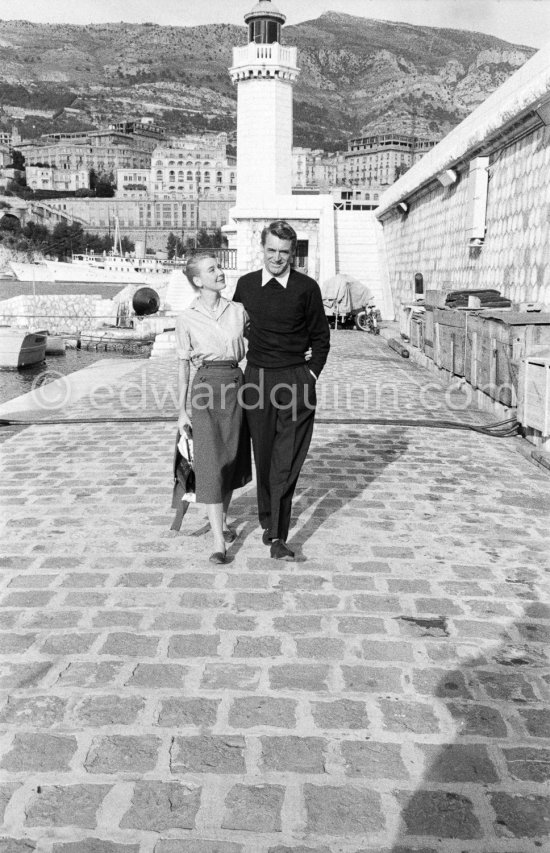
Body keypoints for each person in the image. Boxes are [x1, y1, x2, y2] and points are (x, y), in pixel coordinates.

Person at [233, 220, 330, 560]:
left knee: (287, 460)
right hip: (257, 379)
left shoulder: (306, 288)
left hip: (295, 380)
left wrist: (311, 375)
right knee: (263, 453)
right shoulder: (245, 286)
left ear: (293, 253)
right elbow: (237, 329)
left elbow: (321, 338)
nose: (277, 258)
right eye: (272, 250)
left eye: (284, 252)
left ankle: (279, 535)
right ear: (263, 249)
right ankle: (267, 519)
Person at [176, 251, 251, 564]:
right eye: (212, 269)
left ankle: (221, 519)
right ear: (198, 280)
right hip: (205, 388)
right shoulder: (186, 317)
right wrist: (181, 410)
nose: (220, 272)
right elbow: (182, 366)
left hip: (236, 384)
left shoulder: (239, 311)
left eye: (219, 267)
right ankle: (219, 543)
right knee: (209, 462)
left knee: (231, 459)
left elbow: (259, 342)